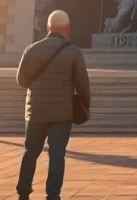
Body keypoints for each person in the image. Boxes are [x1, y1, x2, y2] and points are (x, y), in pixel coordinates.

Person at [15, 10, 91, 200]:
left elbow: (22, 81)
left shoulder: (31, 49)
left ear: (48, 27)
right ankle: (53, 195)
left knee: (30, 152)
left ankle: (23, 193)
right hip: (62, 113)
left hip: (35, 112)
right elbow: (82, 83)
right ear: (67, 28)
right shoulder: (74, 52)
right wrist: (85, 105)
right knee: (57, 154)